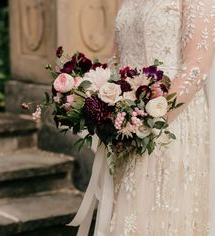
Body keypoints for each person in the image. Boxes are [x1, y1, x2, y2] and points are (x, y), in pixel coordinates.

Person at [69, 0, 215, 235]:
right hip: (126, 121)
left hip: (171, 122)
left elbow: (196, 68)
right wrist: (100, 101)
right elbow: (116, 60)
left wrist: (151, 119)